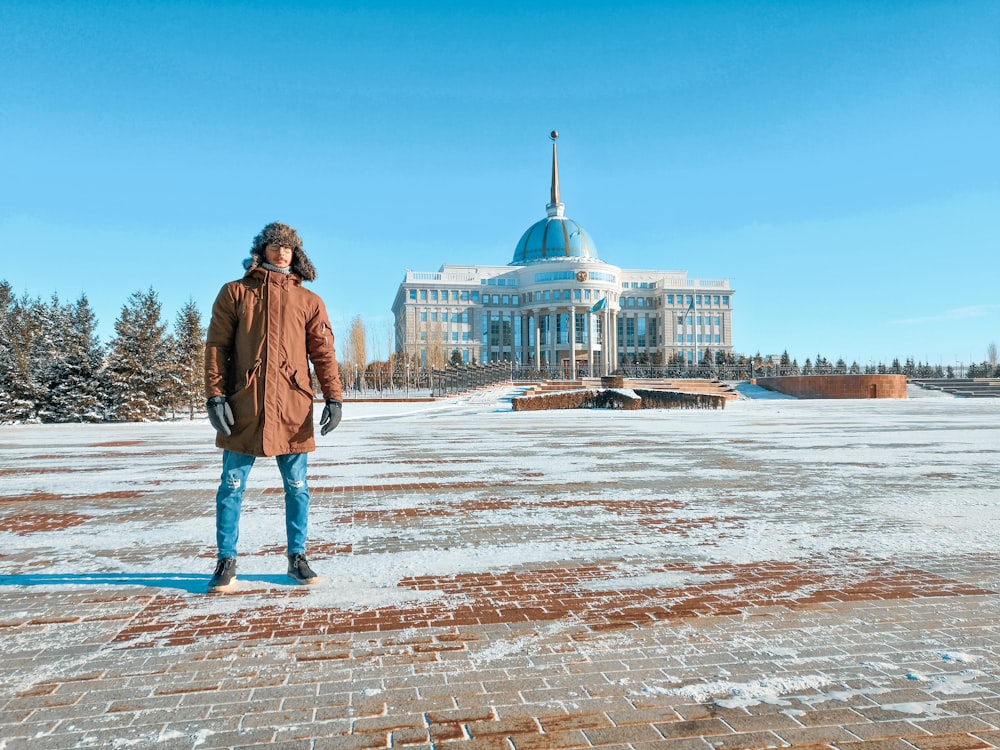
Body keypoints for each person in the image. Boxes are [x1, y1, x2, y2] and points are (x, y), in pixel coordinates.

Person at [204, 221, 343, 593]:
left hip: (292, 408)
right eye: (275, 246)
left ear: (296, 253)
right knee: (231, 485)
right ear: (261, 249)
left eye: (289, 248)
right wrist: (215, 395)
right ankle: (226, 560)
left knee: (298, 486)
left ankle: (297, 557)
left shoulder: (309, 301)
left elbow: (323, 354)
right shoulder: (235, 293)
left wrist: (334, 396)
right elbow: (217, 347)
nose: (283, 253)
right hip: (243, 406)